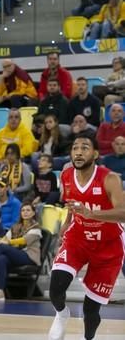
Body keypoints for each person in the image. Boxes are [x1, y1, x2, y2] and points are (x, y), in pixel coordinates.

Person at [49, 135, 125, 340]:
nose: (79, 152)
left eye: (85, 148)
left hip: (108, 245)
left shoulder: (110, 178)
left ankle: (87, 338)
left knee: (91, 310)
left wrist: (91, 214)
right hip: (78, 238)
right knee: (55, 288)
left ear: (96, 154)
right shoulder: (65, 175)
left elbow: (123, 212)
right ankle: (61, 314)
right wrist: (66, 224)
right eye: (75, 148)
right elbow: (73, 206)